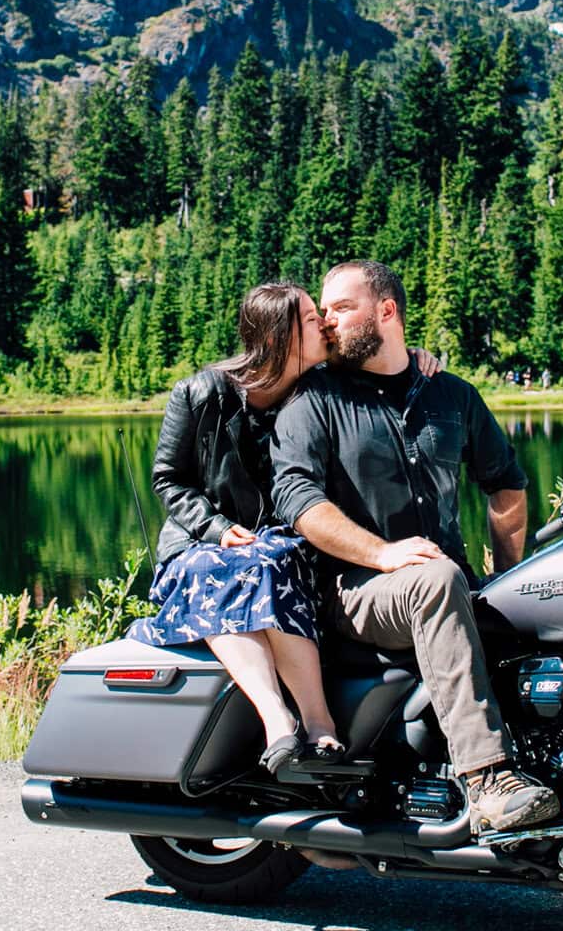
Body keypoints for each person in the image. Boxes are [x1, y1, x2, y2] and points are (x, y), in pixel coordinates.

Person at [270, 260, 561, 834]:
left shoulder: (450, 394)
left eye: (340, 307)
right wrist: (381, 554)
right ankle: (486, 781)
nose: (327, 321)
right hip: (353, 589)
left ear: (386, 312)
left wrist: (509, 576)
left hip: (435, 579)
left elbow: (505, 484)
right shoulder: (315, 400)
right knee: (437, 579)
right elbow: (299, 501)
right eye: (323, 311)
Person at [133, 282, 444, 776]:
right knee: (236, 562)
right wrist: (215, 528)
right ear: (279, 336)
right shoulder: (201, 394)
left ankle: (319, 723)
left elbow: (385, 358)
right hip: (201, 543)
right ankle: (279, 720)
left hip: (278, 545)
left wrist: (423, 356)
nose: (323, 324)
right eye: (309, 319)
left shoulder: (315, 388)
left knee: (271, 559)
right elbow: (168, 479)